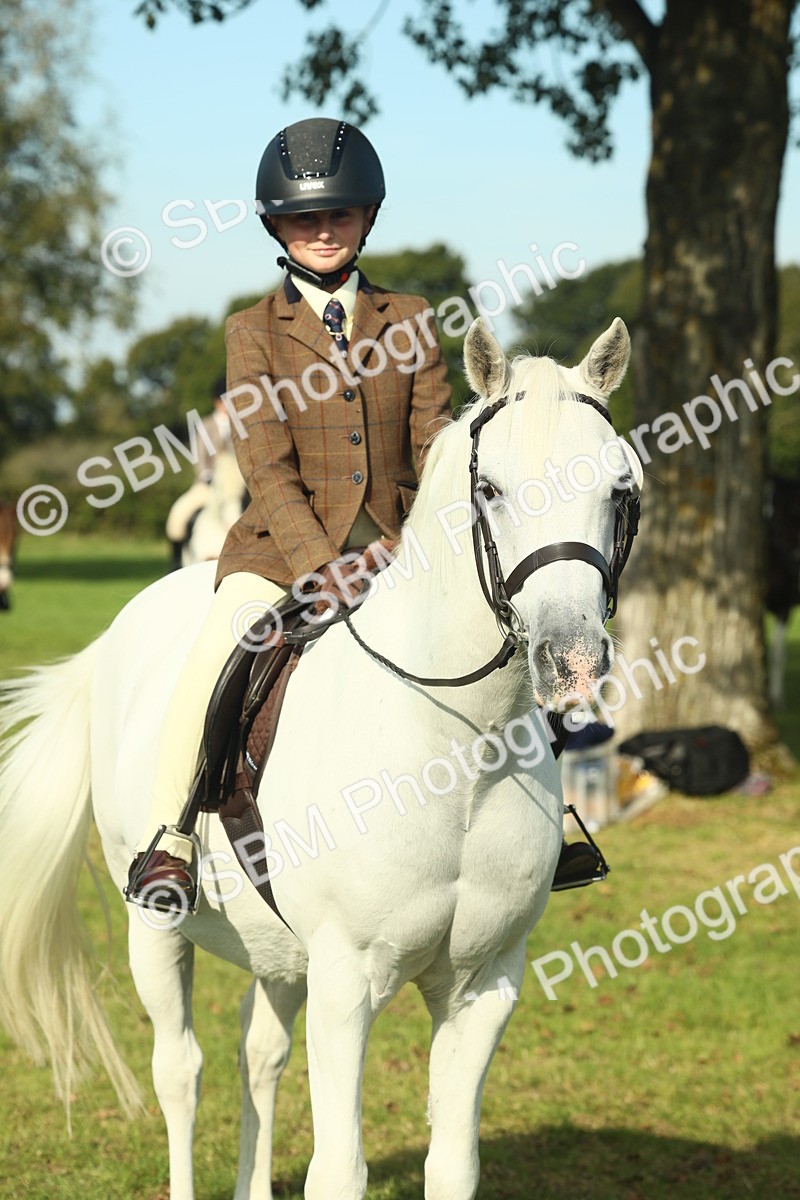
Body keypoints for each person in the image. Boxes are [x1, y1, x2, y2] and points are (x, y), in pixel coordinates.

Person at [126, 117, 453, 908]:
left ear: (368, 217)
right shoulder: (251, 332)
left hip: (402, 549)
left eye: (339, 215)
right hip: (280, 553)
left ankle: (538, 821)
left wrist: (407, 547)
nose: (323, 230)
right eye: (305, 218)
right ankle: (170, 840)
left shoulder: (410, 317)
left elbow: (437, 444)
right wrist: (322, 567)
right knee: (215, 658)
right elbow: (264, 466)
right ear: (277, 224)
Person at [165, 385, 243, 569]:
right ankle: (175, 563)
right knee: (178, 515)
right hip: (208, 485)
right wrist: (207, 476)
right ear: (217, 402)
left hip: (237, 486)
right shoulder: (205, 426)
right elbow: (200, 457)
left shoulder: (243, 425)